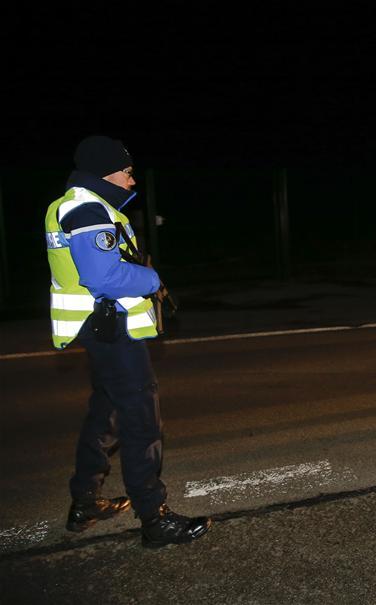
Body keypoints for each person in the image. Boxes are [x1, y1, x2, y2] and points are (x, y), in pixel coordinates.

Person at [45, 135, 211, 547]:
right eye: (127, 170)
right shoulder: (86, 208)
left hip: (104, 330)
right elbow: (103, 276)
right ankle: (154, 520)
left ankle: (85, 502)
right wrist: (151, 280)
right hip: (112, 331)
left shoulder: (85, 206)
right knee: (141, 421)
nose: (131, 178)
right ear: (106, 170)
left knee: (107, 413)